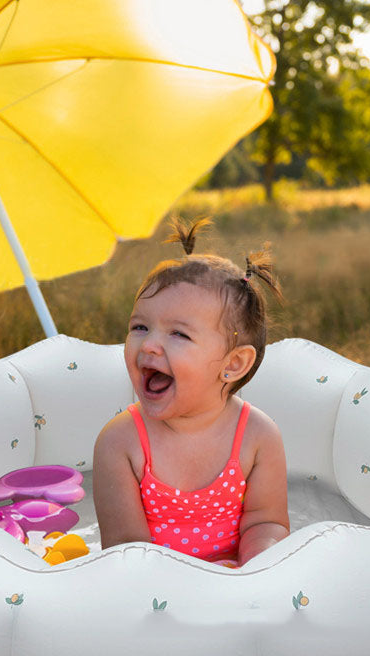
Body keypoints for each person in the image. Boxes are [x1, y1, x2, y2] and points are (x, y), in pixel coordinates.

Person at [93, 219, 289, 566]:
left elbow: (267, 522)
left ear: (233, 364)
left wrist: (253, 567)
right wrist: (192, 586)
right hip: (155, 595)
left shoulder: (257, 436)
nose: (149, 344)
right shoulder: (121, 442)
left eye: (178, 335)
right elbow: (125, 550)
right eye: (140, 326)